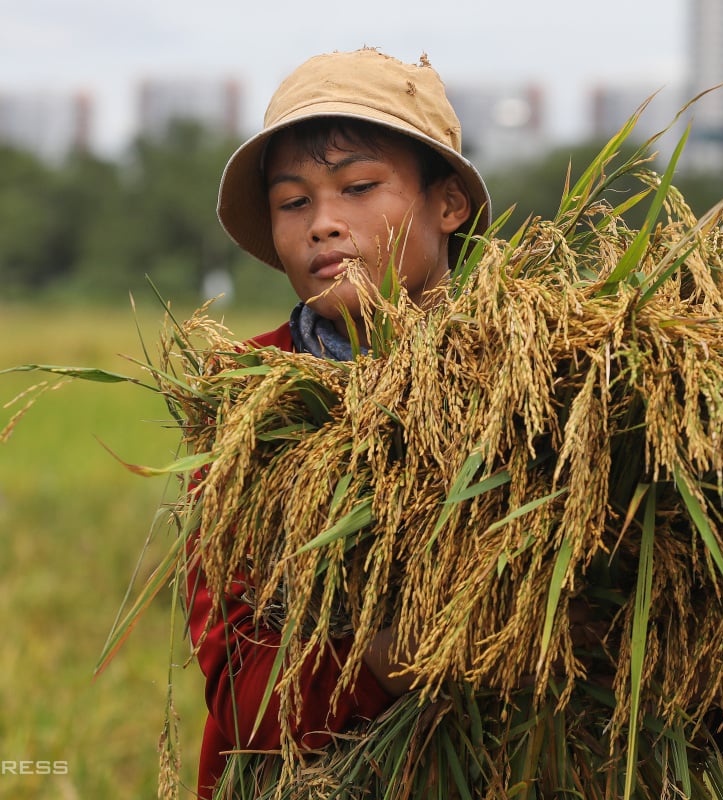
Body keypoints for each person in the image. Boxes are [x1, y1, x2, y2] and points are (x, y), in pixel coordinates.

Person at [182, 47, 492, 798]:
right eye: (294, 203)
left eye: (358, 188)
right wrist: (402, 652)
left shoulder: (561, 379)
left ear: (447, 204)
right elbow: (242, 692)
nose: (323, 224)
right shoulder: (251, 403)